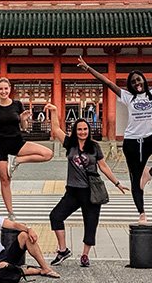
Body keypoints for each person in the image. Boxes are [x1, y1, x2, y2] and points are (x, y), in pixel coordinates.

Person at [78, 42, 152, 223]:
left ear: (144, 81)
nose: (137, 83)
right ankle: (141, 212)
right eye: (133, 82)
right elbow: (107, 82)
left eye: (139, 80)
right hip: (132, 142)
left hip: (150, 138)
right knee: (135, 180)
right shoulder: (127, 96)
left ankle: (151, 172)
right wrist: (88, 68)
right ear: (130, 85)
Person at [46, 103, 127, 268]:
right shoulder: (70, 144)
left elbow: (103, 167)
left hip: (91, 192)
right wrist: (54, 111)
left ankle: (85, 255)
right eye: (79, 129)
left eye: (85, 129)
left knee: (90, 224)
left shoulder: (95, 147)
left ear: (88, 130)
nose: (82, 132)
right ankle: (63, 250)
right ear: (75, 131)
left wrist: (117, 183)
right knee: (55, 216)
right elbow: (55, 129)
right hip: (73, 191)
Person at [0, 77, 53, 219]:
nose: (3, 91)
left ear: (10, 89)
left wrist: (24, 119)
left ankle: (18, 160)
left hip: (17, 142)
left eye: (6, 88)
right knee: (5, 180)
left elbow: (24, 128)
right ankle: (11, 212)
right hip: (0, 145)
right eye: (0, 89)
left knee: (47, 154)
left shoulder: (17, 105)